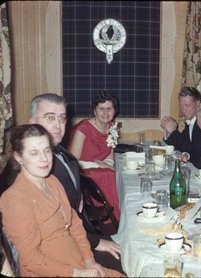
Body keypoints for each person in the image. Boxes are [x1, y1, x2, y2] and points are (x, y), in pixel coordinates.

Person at [0, 124, 123, 277]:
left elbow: (75, 225)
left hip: (76, 260)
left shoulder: (52, 181)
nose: (44, 159)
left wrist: (88, 259)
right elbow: (31, 261)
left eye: (47, 150)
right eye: (34, 153)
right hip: (50, 272)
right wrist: (77, 273)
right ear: (19, 158)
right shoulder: (14, 199)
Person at [25, 93, 122, 273]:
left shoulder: (61, 154)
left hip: (81, 234)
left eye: (62, 118)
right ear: (32, 122)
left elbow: (71, 215)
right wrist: (91, 252)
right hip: (61, 252)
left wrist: (93, 242)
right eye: (50, 118)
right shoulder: (33, 172)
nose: (57, 125)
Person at [68, 91, 120, 221]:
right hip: (83, 172)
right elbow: (73, 162)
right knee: (110, 175)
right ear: (94, 111)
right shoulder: (83, 128)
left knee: (115, 173)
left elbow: (109, 154)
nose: (105, 113)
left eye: (109, 109)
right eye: (101, 109)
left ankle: (116, 217)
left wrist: (107, 165)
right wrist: (99, 165)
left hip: (99, 169)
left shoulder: (112, 127)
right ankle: (110, 220)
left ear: (115, 111)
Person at [160, 87, 201, 166]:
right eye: (181, 106)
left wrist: (173, 131)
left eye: (187, 105)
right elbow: (180, 144)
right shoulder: (190, 121)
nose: (183, 110)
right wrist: (168, 131)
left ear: (198, 104)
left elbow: (191, 149)